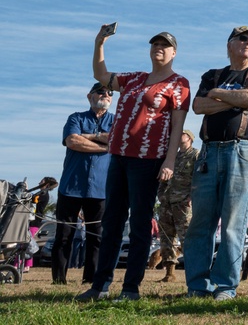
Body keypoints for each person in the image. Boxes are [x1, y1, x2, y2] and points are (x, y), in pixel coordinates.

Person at [77, 27, 190, 302]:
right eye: (155, 45)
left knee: (139, 224)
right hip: (119, 157)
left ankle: (130, 289)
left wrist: (170, 160)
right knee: (112, 221)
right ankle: (100, 285)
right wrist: (99, 43)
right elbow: (101, 76)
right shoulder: (134, 79)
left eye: (165, 46)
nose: (158, 49)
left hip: (148, 161)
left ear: (174, 53)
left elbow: (177, 127)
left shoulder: (179, 84)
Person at [184, 26, 248, 301]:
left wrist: (217, 96)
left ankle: (225, 287)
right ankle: (197, 285)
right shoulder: (212, 75)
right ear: (229, 44)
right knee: (201, 223)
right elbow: (197, 106)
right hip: (208, 152)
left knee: (233, 222)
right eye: (242, 39)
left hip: (240, 150)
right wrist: (235, 99)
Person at [52, 83, 114, 286]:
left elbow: (116, 141)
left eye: (109, 93)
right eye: (100, 92)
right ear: (90, 96)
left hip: (101, 188)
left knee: (96, 237)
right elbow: (72, 141)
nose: (104, 95)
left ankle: (91, 279)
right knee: (64, 235)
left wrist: (89, 136)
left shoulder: (116, 120)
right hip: (72, 186)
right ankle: (59, 279)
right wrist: (103, 146)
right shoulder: (76, 118)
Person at [156, 129, 197, 282]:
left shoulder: (195, 155)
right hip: (167, 202)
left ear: (189, 138)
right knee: (167, 238)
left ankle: (193, 273)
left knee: (187, 237)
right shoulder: (171, 156)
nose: (179, 135)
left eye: (183, 133)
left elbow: (198, 178)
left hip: (184, 203)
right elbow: (163, 177)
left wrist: (191, 197)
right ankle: (169, 273)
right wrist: (161, 194)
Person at [26, 177, 57, 271]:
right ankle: (26, 265)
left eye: (42, 181)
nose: (39, 182)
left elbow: (32, 200)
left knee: (29, 242)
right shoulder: (41, 193)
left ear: (46, 184)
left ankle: (27, 265)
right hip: (32, 220)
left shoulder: (43, 194)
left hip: (35, 221)